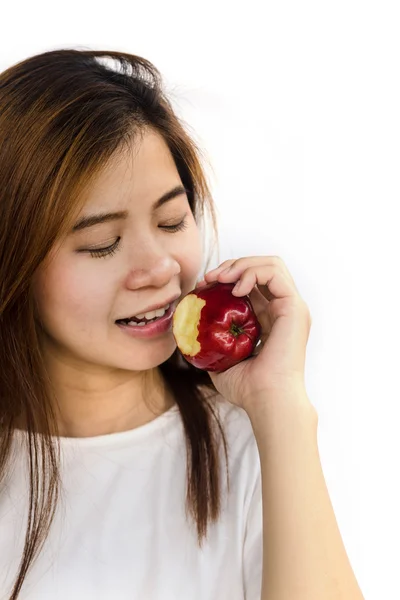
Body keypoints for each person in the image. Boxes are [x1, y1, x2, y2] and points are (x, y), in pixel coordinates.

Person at [0, 49, 364, 600]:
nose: (160, 268)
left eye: (172, 221)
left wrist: (282, 410)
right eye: (102, 244)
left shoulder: (253, 445)